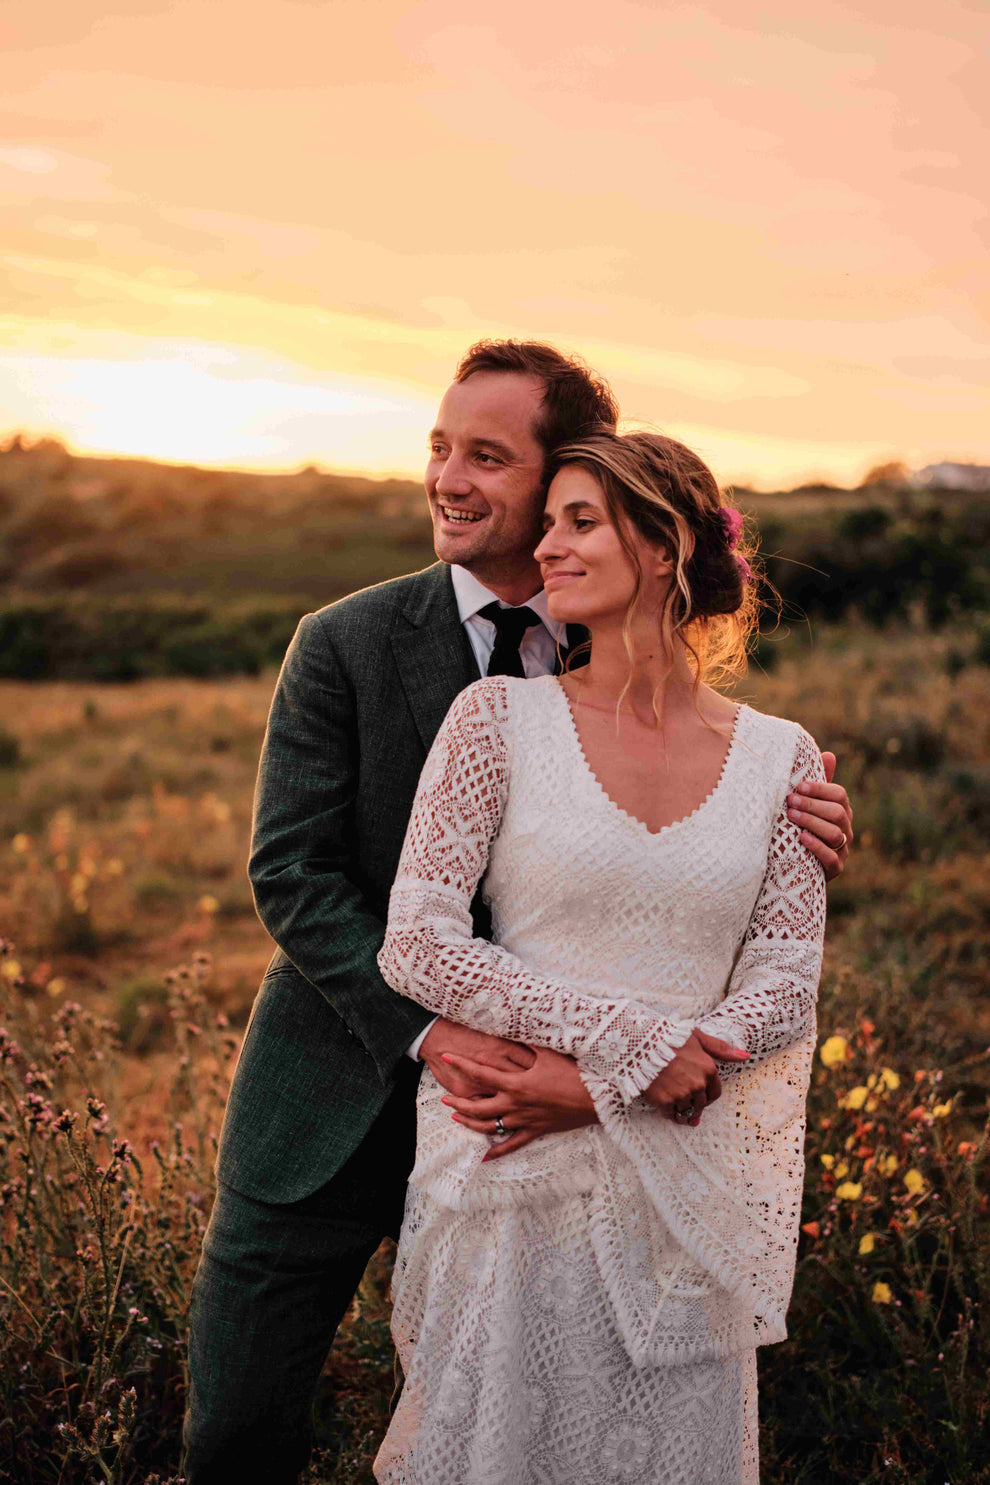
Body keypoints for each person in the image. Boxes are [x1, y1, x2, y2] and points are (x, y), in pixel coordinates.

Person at [182, 343, 852, 1484]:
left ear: (563, 481)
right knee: (241, 1424)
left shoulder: (640, 656)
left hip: (584, 1133)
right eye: (440, 448)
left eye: (487, 457)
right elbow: (292, 873)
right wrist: (442, 1034)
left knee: (545, 1427)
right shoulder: (343, 641)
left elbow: (698, 852)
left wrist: (794, 820)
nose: (449, 478)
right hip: (342, 1080)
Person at [374, 428, 829, 1483]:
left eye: (581, 523)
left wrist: (616, 1087)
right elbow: (421, 942)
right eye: (549, 529)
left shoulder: (785, 758)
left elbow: (785, 982)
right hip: (511, 1176)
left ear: (665, 547)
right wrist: (627, 1047)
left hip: (684, 1185)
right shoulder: (494, 720)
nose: (550, 552)